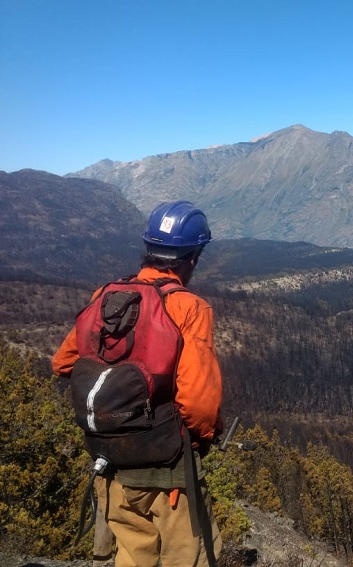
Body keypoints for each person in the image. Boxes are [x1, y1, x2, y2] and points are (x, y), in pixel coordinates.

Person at [52, 200, 224, 567]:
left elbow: (63, 362)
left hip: (110, 463)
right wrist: (202, 439)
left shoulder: (106, 297)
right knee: (189, 557)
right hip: (167, 469)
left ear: (147, 249)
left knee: (131, 555)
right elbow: (198, 404)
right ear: (192, 258)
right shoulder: (189, 308)